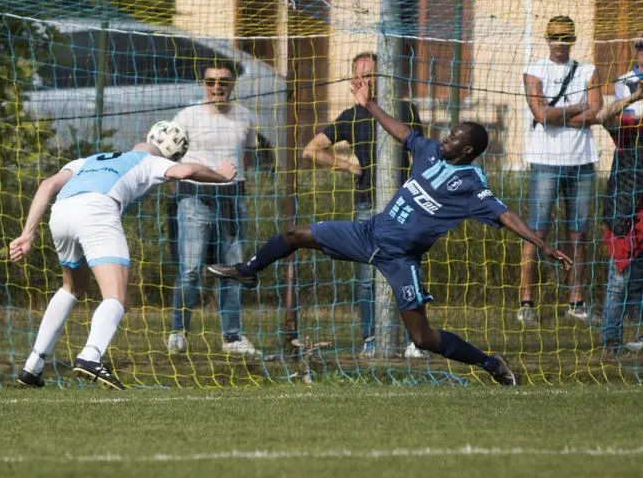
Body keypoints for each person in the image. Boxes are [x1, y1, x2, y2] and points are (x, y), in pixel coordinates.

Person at [207, 74, 573, 385]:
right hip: (369, 234)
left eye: (453, 139)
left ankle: (490, 363)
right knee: (294, 235)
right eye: (447, 135)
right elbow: (403, 133)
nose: (445, 139)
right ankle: (248, 272)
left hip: (400, 259)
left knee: (423, 337)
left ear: (467, 151)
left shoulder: (472, 184)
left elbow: (506, 214)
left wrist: (540, 244)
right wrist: (368, 104)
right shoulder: (430, 151)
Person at [9, 120, 237, 390]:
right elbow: (186, 171)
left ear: (147, 135)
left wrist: (27, 234)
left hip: (61, 212)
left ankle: (32, 367)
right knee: (118, 297)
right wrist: (220, 176)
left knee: (72, 287)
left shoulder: (89, 159)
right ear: (173, 154)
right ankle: (91, 356)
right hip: (97, 210)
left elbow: (47, 185)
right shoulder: (152, 161)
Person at [302, 51, 426, 359]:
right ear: (351, 81)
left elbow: (421, 154)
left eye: (370, 75)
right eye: (359, 76)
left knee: (408, 272)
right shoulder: (349, 117)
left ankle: (416, 338)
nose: (364, 81)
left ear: (383, 80)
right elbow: (311, 150)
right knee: (369, 278)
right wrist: (349, 166)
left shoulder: (404, 109)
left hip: (403, 207)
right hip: (368, 205)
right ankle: (371, 337)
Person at [167, 62, 261, 356]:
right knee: (190, 270)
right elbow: (172, 158)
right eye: (211, 82)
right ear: (203, 84)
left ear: (233, 84)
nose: (217, 87)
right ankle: (178, 332)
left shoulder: (245, 117)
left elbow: (248, 155)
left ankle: (232, 337)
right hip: (195, 199)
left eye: (223, 81)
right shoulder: (187, 116)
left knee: (233, 269)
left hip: (232, 200)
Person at [518, 15, 602, 326]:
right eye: (555, 38)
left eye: (566, 38)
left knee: (578, 234)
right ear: (547, 38)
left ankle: (577, 301)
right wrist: (576, 107)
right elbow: (540, 114)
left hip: (581, 162)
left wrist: (558, 114)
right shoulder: (535, 69)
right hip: (545, 161)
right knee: (536, 232)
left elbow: (596, 113)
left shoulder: (587, 70)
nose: (560, 44)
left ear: (574, 39)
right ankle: (526, 301)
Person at [599, 33, 643, 353]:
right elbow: (603, 116)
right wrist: (633, 97)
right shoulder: (629, 129)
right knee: (620, 275)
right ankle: (611, 339)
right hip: (625, 205)